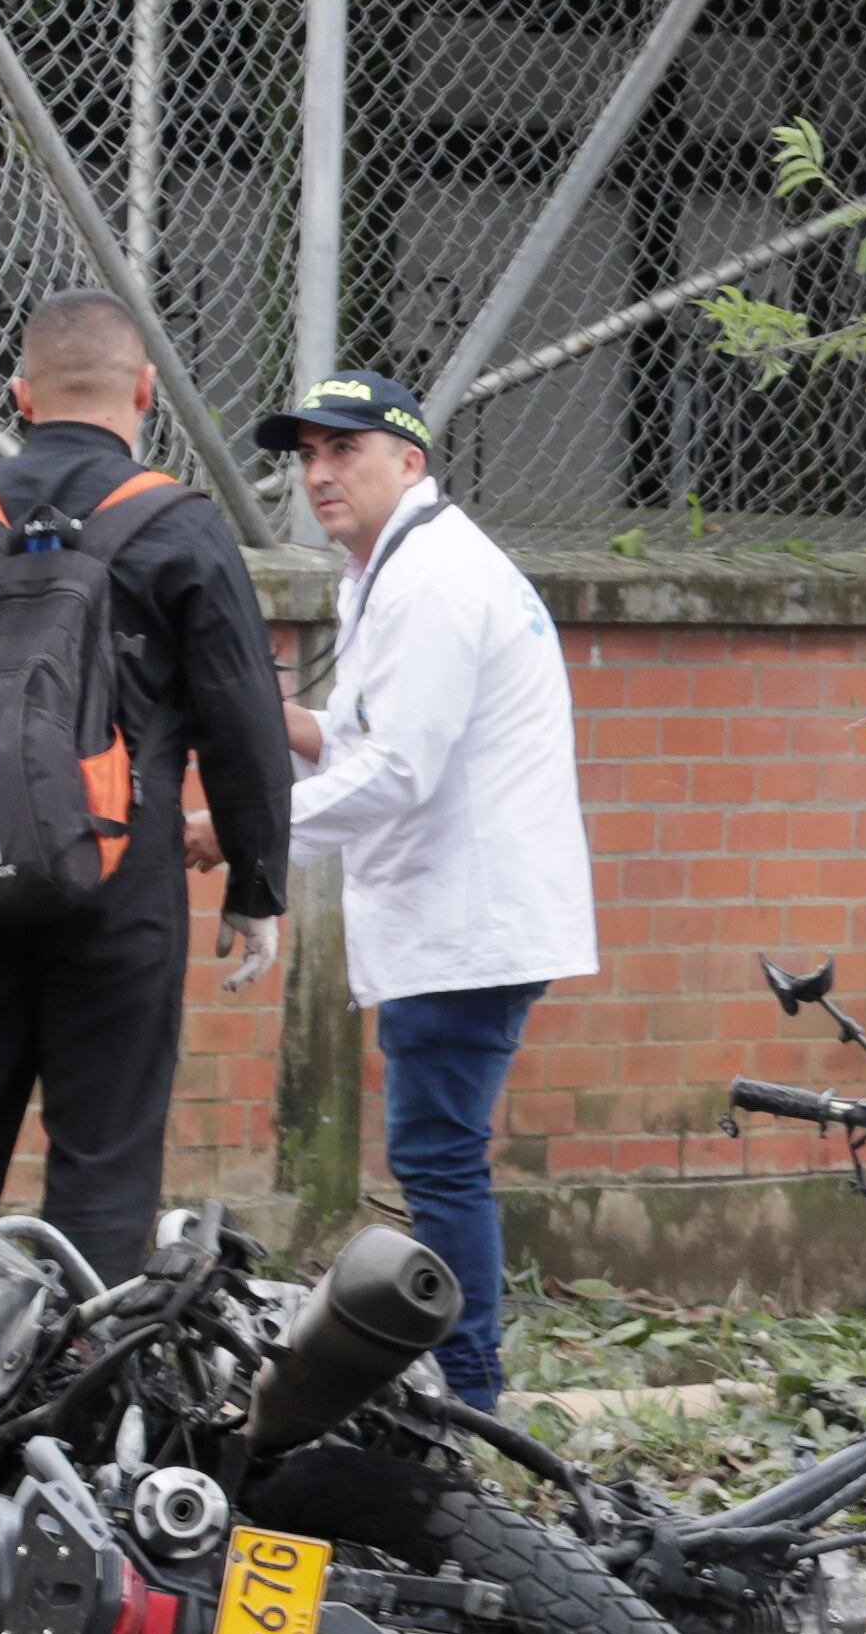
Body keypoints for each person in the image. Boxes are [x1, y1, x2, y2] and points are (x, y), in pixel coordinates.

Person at [0, 294, 293, 1286]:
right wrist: (255, 888)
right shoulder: (179, 526)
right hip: (119, 880)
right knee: (104, 1158)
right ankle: (82, 1418)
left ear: (19, 397)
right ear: (145, 392)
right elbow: (244, 721)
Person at [240, 368, 599, 1413]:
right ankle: (461, 1387)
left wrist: (246, 831)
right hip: (456, 917)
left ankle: (473, 1401)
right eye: (305, 455)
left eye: (343, 450)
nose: (318, 473)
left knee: (440, 1164)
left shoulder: (434, 579)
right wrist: (256, 718)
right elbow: (360, 741)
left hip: (467, 920)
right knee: (437, 1158)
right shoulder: (392, 573)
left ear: (411, 460)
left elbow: (400, 774)